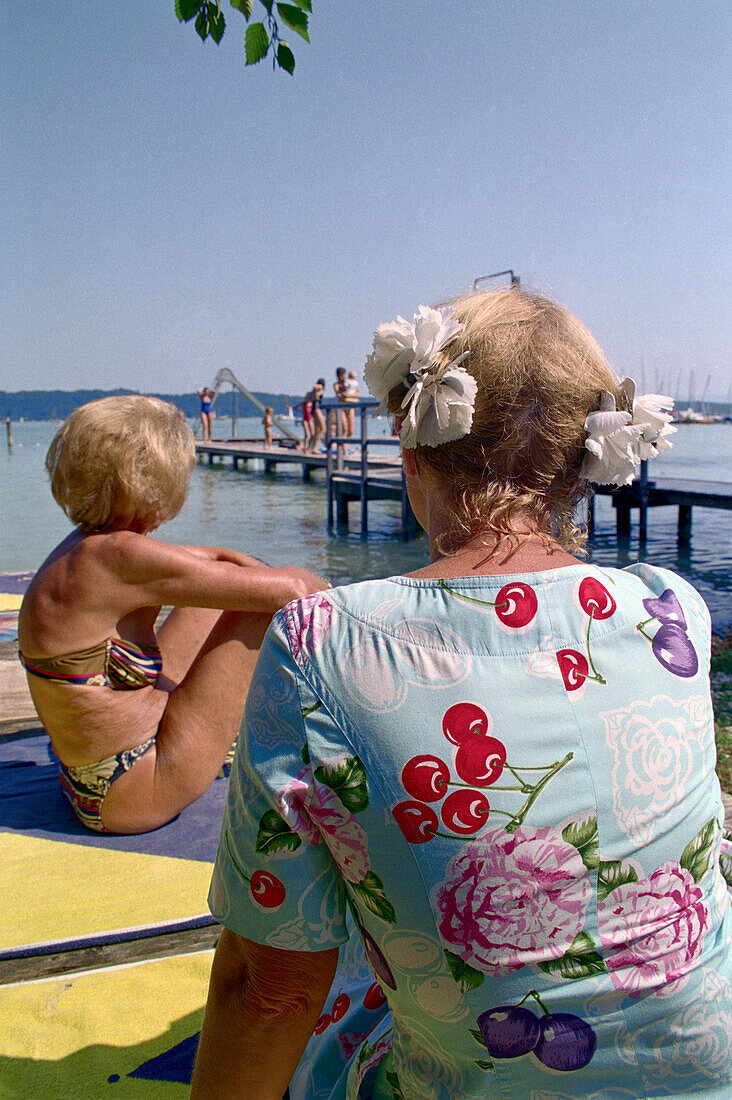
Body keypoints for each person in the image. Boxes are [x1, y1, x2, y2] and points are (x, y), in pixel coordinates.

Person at [192, 289, 731, 1098]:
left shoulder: (323, 643)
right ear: (589, 460)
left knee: (343, 984)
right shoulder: (671, 607)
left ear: (413, 452)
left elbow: (270, 992)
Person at [18, 396, 326, 836]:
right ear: (156, 478)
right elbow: (289, 590)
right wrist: (348, 604)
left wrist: (252, 575)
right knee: (264, 606)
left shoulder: (84, 548)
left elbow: (219, 560)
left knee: (216, 592)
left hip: (89, 786)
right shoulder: (120, 557)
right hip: (136, 785)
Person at [309, 380, 326, 454]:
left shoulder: (315, 391)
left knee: (318, 429)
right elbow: (315, 387)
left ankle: (312, 447)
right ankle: (314, 447)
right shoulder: (319, 387)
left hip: (316, 408)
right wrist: (319, 386)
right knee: (323, 428)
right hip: (316, 408)